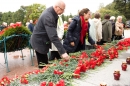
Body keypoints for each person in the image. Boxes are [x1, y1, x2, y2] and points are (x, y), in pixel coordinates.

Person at [30, 0, 70, 68]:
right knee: (43, 65)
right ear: (56, 7)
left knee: (45, 63)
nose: (63, 11)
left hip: (43, 40)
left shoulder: (52, 13)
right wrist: (63, 52)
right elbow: (53, 36)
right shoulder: (48, 16)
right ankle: (42, 76)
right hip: (39, 42)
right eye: (62, 9)